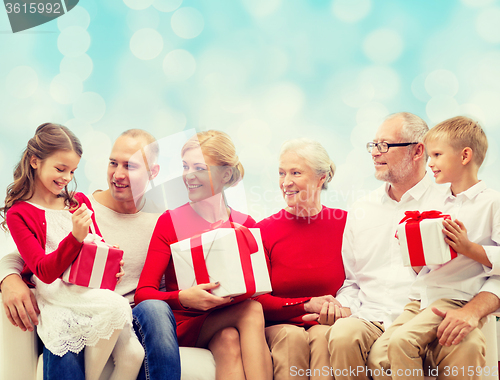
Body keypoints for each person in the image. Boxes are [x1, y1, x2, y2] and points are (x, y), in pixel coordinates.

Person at [321, 112, 500, 380]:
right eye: (373, 145)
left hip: (438, 307)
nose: (375, 153)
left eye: (384, 145)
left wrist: (471, 311)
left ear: (417, 151)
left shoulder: (449, 200)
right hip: (378, 314)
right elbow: (352, 281)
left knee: (466, 343)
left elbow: (482, 267)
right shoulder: (360, 209)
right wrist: (341, 306)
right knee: (345, 336)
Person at [0, 128, 181, 380]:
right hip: (69, 298)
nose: (118, 174)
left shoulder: (162, 220)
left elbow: (99, 246)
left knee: (146, 326)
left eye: (130, 166)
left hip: (123, 309)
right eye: (113, 163)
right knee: (70, 333)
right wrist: (7, 277)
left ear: (153, 173)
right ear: (35, 161)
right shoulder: (81, 203)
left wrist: (111, 262)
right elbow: (25, 257)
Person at [135, 130, 273, 380]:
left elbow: (261, 292)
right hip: (184, 323)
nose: (188, 175)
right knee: (250, 311)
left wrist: (304, 305)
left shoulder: (245, 224)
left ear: (226, 174)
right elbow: (143, 293)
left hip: (223, 322)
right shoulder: (170, 221)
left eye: (199, 167)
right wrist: (183, 298)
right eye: (185, 166)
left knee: (229, 339)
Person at [254, 138, 347, 380]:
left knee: (323, 336)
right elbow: (257, 301)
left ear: (321, 178)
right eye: (282, 173)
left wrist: (340, 311)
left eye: (296, 172)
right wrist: (305, 306)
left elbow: (363, 283)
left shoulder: (347, 224)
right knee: (292, 338)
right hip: (282, 327)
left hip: (327, 324)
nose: (286, 182)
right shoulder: (263, 231)